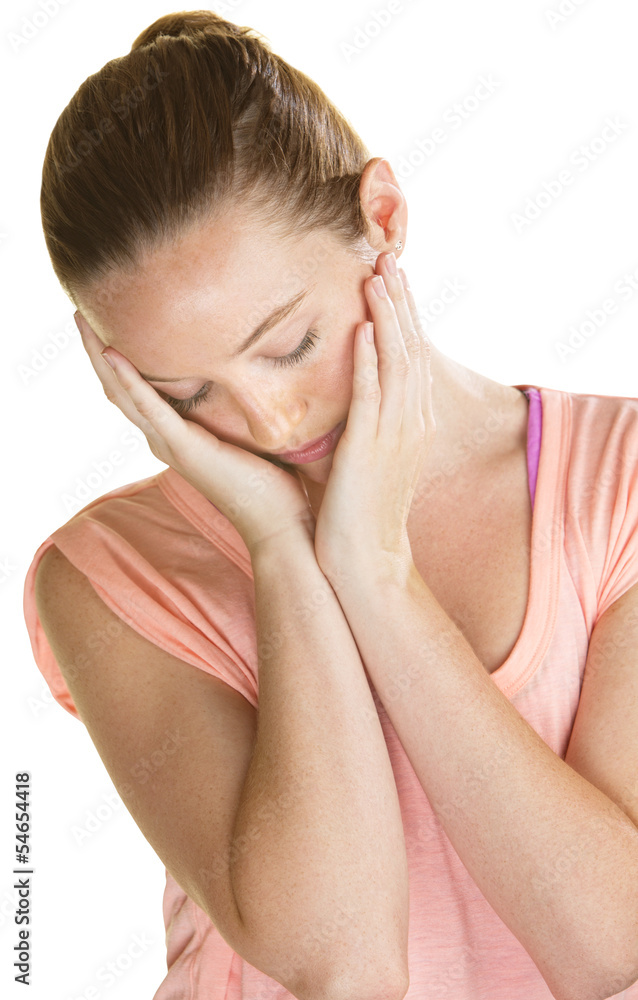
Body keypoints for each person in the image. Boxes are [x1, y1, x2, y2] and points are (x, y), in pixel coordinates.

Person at [22, 10, 638, 1000]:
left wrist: (375, 574)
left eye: (290, 344)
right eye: (189, 396)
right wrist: (280, 544)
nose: (267, 422)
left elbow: (610, 943)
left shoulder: (617, 480)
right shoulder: (107, 578)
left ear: (381, 217)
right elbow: (342, 965)